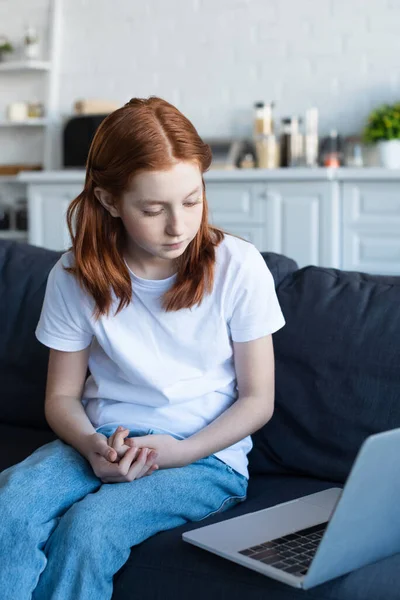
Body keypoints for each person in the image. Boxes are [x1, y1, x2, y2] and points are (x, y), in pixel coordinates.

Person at [0, 96, 285, 599]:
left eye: (192, 200)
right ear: (110, 201)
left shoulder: (238, 267)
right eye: (153, 209)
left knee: (91, 530)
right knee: (10, 508)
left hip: (203, 458)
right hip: (100, 439)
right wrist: (91, 445)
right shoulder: (73, 275)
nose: (178, 226)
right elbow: (61, 399)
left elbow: (257, 399)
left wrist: (182, 452)